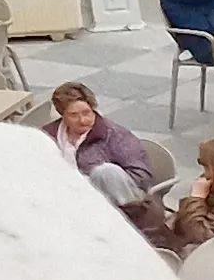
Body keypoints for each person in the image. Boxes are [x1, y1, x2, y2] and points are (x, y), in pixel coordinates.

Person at [41, 82, 160, 240]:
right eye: (74, 115)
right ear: (62, 115)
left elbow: (142, 175)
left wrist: (93, 181)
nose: (82, 120)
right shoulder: (48, 136)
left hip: (117, 200)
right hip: (67, 198)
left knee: (106, 172)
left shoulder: (114, 135)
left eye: (86, 113)